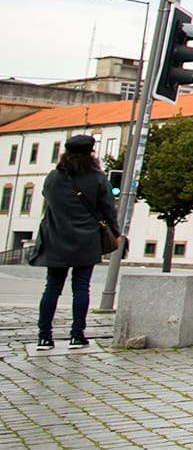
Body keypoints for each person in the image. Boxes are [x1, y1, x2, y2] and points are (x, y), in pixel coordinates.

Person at [32, 134, 122, 350]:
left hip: (56, 237)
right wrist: (116, 233)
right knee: (81, 286)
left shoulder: (53, 177)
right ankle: (77, 335)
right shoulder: (98, 178)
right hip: (86, 238)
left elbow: (47, 199)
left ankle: (44, 336)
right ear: (90, 154)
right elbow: (108, 208)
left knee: (52, 287)